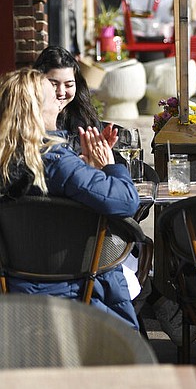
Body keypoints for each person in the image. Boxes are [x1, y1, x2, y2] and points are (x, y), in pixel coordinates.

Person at [0, 68, 140, 328]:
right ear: (36, 110)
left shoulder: (10, 160)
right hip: (74, 289)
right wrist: (109, 166)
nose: (59, 97)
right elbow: (126, 201)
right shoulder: (55, 162)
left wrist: (84, 169)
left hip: (12, 290)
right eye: (52, 94)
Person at [32, 46, 112, 152]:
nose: (61, 92)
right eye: (53, 84)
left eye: (69, 85)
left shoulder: (85, 119)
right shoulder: (25, 121)